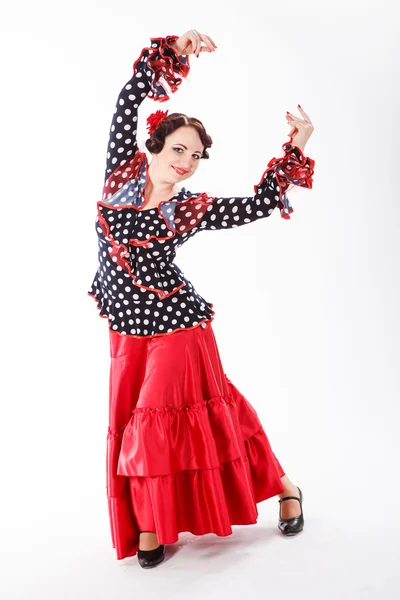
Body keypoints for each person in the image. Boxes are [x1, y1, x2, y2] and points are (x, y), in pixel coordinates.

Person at [88, 29, 315, 569]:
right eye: (178, 149)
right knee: (213, 414)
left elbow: (261, 203)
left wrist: (299, 142)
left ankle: (151, 527)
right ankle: (285, 484)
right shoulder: (120, 175)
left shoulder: (191, 208)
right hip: (125, 329)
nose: (186, 162)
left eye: (196, 155)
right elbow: (128, 100)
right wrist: (177, 53)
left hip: (178, 327)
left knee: (150, 420)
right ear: (155, 147)